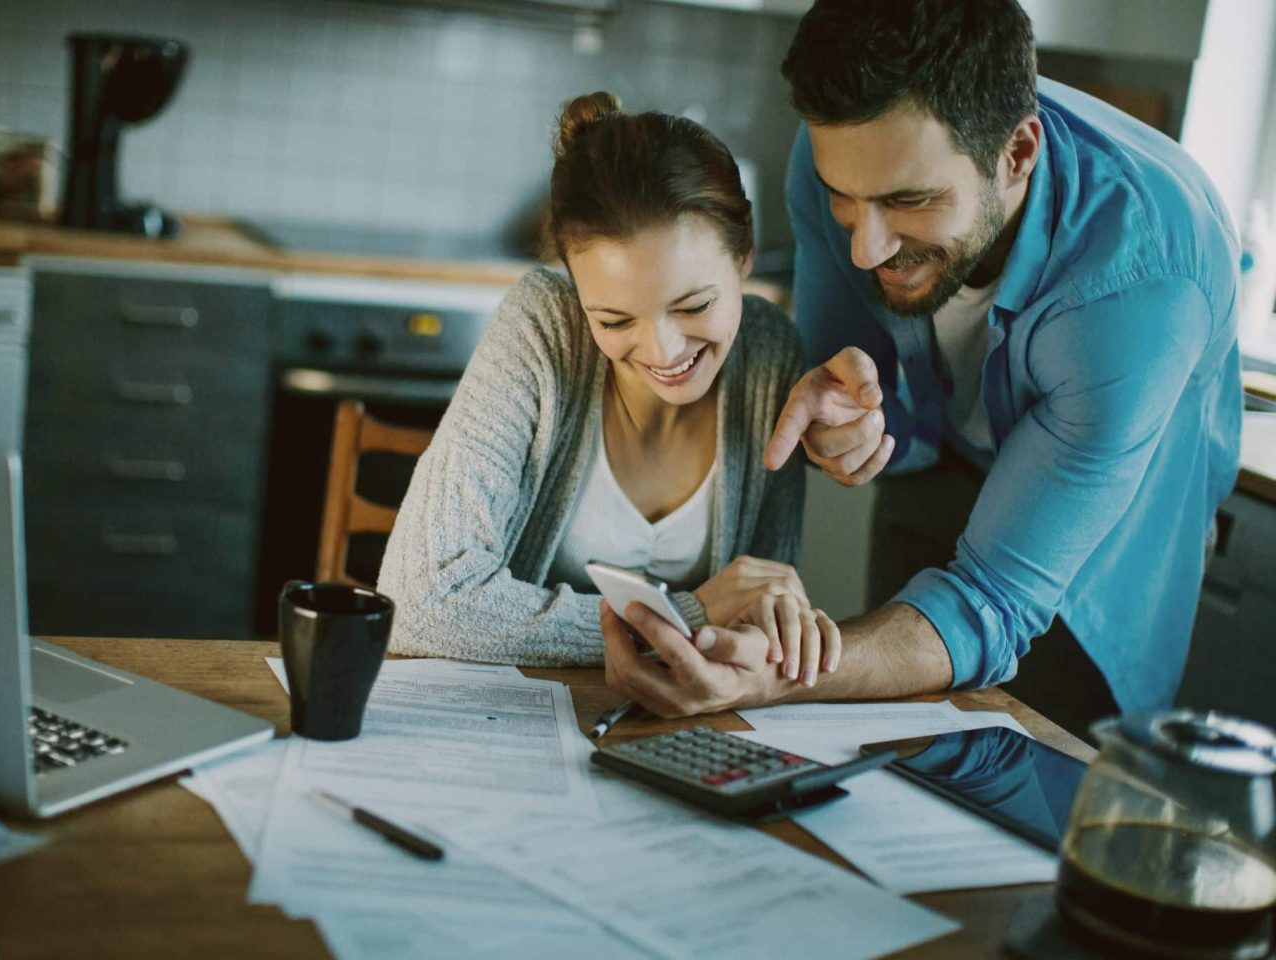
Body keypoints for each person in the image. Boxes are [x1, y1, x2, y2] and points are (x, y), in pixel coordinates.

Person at [602, 0, 1242, 736]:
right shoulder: (837, 164)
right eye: (846, 200)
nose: (866, 251)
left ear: (1018, 155)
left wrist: (774, 678)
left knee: (1032, 789)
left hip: (1101, 550)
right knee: (897, 747)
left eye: (910, 201)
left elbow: (993, 604)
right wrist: (859, 429)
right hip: (943, 472)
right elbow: (871, 402)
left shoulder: (1139, 288)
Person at [378, 93, 840, 681]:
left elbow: (759, 618)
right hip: (510, 718)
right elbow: (422, 603)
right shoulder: (543, 325)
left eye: (695, 305)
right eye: (615, 321)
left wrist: (776, 635)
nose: (664, 352)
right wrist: (686, 617)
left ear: (745, 254)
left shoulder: (770, 353)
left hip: (673, 730)